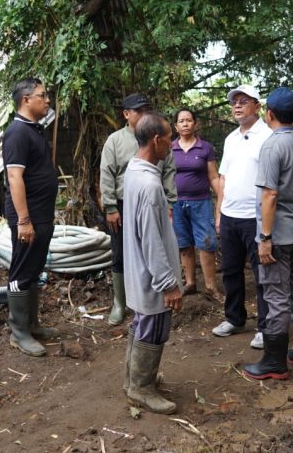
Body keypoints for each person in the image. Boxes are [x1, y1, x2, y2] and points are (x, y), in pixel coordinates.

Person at [244, 87, 293, 380]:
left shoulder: (273, 146)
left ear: (269, 113)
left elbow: (270, 195)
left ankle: (274, 362)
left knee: (275, 296)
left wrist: (265, 237)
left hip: (279, 236)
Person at [122, 112, 183, 414]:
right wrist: (168, 283)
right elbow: (151, 240)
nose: (172, 144)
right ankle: (141, 388)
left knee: (142, 323)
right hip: (152, 276)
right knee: (153, 327)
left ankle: (134, 378)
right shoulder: (149, 186)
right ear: (157, 140)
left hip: (139, 271)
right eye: (170, 137)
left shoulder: (133, 171)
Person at [100, 93, 177, 325]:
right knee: (122, 253)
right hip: (124, 205)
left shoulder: (160, 138)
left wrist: (170, 202)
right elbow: (106, 173)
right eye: (138, 111)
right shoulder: (116, 140)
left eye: (146, 110)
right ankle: (121, 302)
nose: (143, 114)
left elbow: (169, 171)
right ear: (126, 114)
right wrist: (111, 206)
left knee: (154, 250)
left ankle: (153, 302)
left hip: (154, 202)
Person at [212, 85, 274, 350]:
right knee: (231, 271)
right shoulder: (230, 139)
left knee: (262, 273)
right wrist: (219, 212)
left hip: (255, 216)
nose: (237, 106)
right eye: (234, 102)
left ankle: (266, 326)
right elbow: (223, 178)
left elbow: (273, 184)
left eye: (243, 101)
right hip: (230, 215)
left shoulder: (269, 137)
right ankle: (235, 318)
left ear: (257, 106)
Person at [2, 78, 60, 356]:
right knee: (21, 272)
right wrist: (24, 220)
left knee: (35, 270)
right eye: (42, 95)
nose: (47, 100)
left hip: (41, 213)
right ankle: (19, 332)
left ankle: (32, 324)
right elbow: (15, 177)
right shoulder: (17, 133)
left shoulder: (35, 130)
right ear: (26, 99)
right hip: (28, 216)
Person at [171, 108, 223, 301]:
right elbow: (166, 177)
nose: (185, 124)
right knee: (184, 243)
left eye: (189, 120)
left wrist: (222, 199)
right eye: (181, 121)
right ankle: (190, 283)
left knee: (207, 243)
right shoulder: (169, 148)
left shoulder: (205, 148)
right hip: (177, 203)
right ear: (176, 126)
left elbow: (213, 176)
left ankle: (210, 286)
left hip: (201, 202)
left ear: (195, 124)